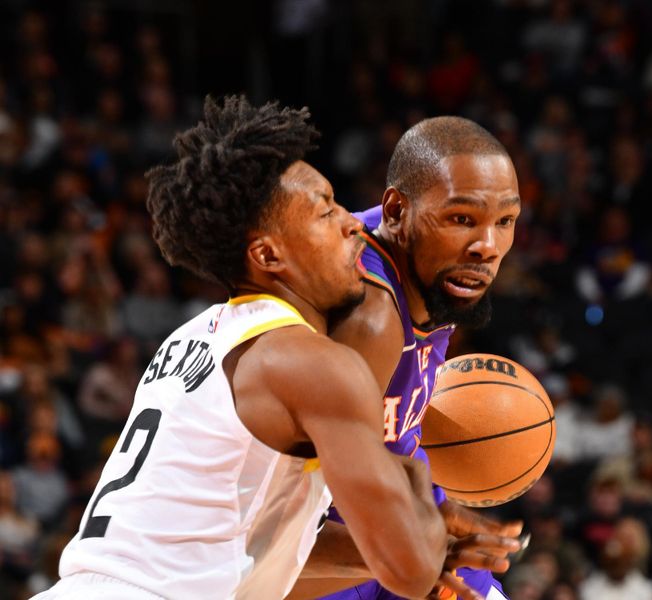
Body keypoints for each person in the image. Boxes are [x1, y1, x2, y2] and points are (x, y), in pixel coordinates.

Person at [32, 96, 448, 600]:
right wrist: (419, 481)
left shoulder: (192, 338)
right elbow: (409, 570)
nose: (353, 223)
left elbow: (255, 556)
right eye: (325, 211)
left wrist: (443, 544)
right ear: (268, 254)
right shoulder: (309, 362)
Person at [288, 116, 524, 599]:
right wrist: (413, 549)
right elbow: (268, 536)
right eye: (464, 219)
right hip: (317, 544)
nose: (488, 246)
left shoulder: (437, 260)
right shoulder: (368, 315)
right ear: (397, 209)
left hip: (392, 514)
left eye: (505, 221)